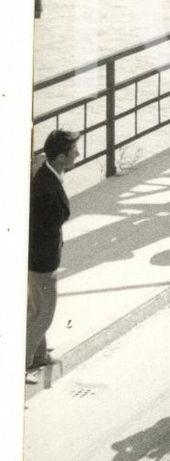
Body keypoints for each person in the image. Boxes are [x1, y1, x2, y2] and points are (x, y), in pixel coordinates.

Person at [26, 128, 81, 381]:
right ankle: (20, 364)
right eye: (73, 152)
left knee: (37, 310)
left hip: (41, 257)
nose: (78, 154)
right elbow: (37, 227)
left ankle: (38, 356)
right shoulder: (46, 188)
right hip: (41, 262)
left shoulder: (49, 174)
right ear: (60, 158)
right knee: (43, 315)